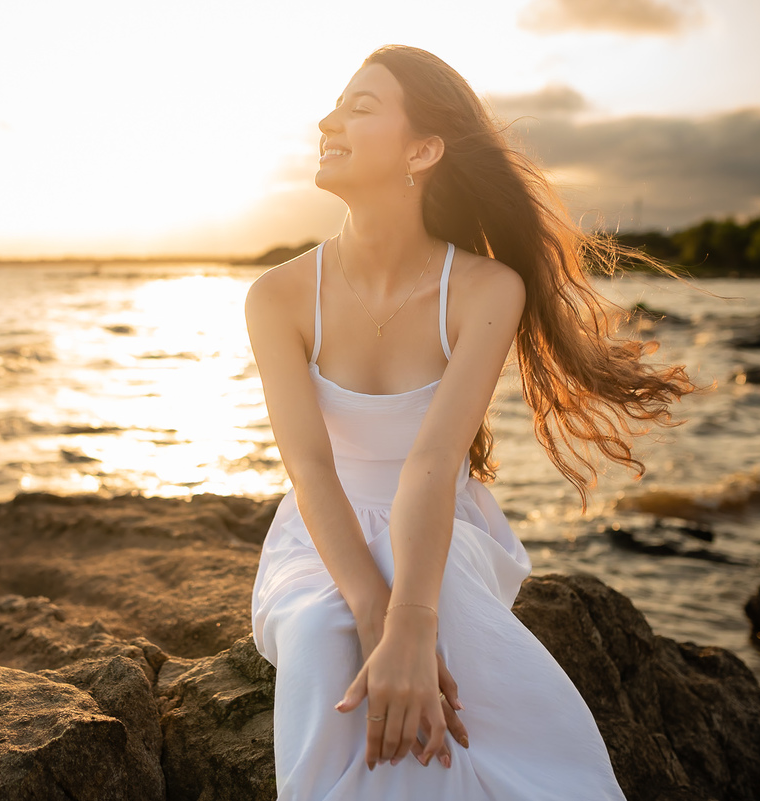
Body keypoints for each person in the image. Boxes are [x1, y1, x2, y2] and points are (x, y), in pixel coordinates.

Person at [245, 44, 704, 800]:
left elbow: (430, 464)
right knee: (329, 645)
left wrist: (412, 620)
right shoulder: (278, 295)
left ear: (423, 150)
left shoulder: (487, 287)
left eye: (360, 106)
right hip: (318, 536)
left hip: (441, 526)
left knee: (453, 642)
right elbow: (312, 469)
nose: (328, 120)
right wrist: (372, 613)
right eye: (335, 104)